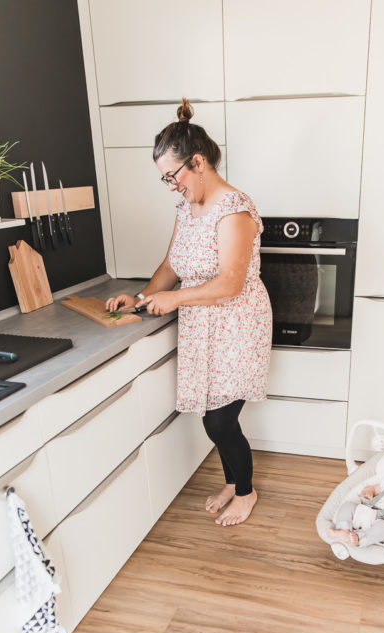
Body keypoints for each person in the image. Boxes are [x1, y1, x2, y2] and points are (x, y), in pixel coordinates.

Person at [106, 98, 272, 526]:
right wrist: (141, 297)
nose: (172, 186)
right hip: (204, 325)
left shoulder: (234, 209)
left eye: (172, 176)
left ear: (197, 162)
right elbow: (171, 266)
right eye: (165, 180)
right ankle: (235, 484)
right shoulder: (187, 208)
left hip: (237, 324)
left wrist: (175, 300)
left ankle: (247, 492)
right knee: (213, 418)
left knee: (219, 421)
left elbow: (231, 283)